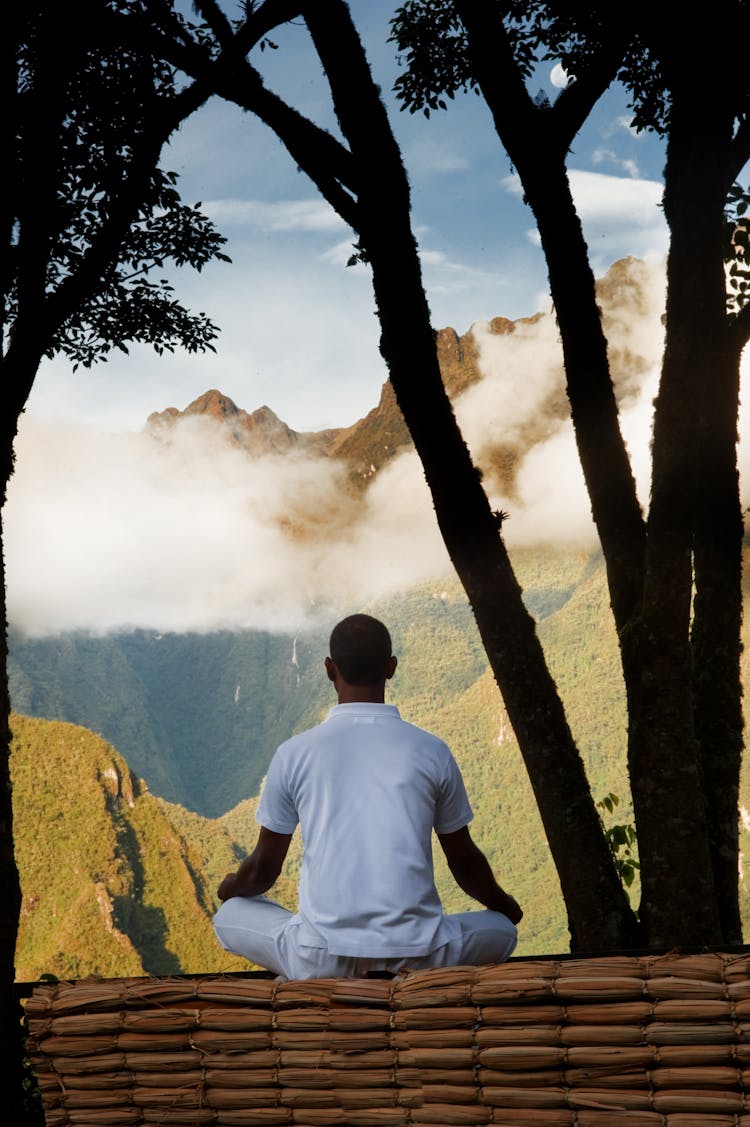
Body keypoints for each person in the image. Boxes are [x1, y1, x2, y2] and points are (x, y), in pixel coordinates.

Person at [213, 613, 522, 979]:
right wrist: (505, 907)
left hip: (320, 957)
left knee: (229, 917)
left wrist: (231, 886)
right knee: (502, 930)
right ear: (390, 668)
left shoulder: (294, 753)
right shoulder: (431, 751)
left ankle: (309, 980)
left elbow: (263, 870)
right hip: (420, 954)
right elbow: (465, 864)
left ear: (330, 669)